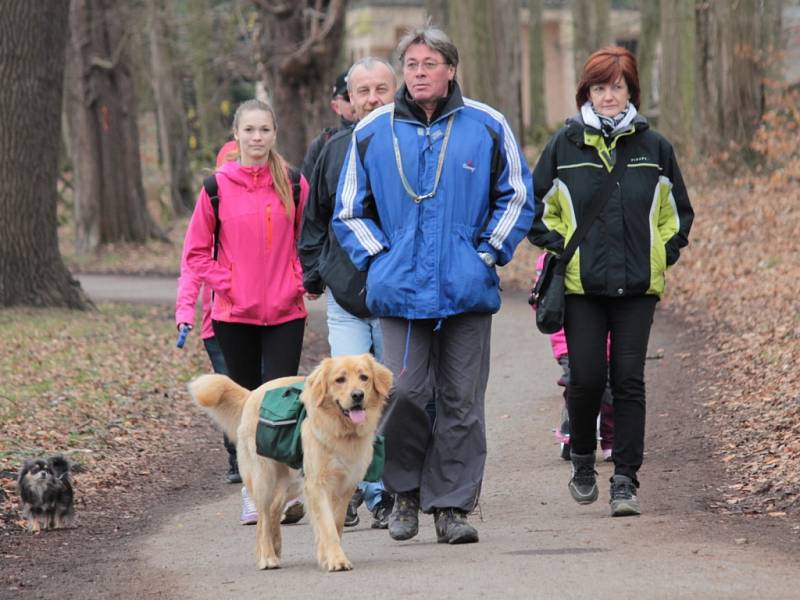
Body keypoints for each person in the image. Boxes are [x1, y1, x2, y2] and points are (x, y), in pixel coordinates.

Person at [332, 26, 534, 545]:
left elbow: (515, 196)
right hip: (399, 292)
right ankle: (404, 495)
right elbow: (350, 209)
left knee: (462, 400)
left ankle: (452, 506)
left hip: (466, 291)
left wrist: (485, 253)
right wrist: (383, 258)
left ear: (450, 70)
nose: (419, 73)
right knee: (404, 392)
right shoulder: (374, 130)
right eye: (412, 65)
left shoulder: (486, 125)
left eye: (429, 64)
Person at [528, 47, 693, 517]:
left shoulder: (654, 148)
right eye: (599, 88)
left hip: (638, 287)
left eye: (616, 87)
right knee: (585, 380)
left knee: (628, 380)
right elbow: (535, 208)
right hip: (581, 287)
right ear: (587, 92)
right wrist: (560, 246)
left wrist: (661, 252)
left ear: (630, 91)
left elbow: (678, 213)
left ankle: (625, 479)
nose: (608, 96)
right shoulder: (564, 145)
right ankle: (582, 457)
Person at [182, 98, 311, 519]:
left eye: (265, 130)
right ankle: (253, 492)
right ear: (236, 135)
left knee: (281, 406)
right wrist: (228, 284)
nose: (257, 138)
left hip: (285, 313)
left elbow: (308, 241)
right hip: (233, 316)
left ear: (275, 134)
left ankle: (287, 489)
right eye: (249, 130)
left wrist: (299, 279)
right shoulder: (215, 188)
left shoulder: (293, 183)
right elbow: (196, 253)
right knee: (246, 407)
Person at [298, 57, 398, 530]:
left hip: (397, 294)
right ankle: (369, 491)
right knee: (349, 394)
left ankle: (395, 484)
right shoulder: (332, 150)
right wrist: (315, 273)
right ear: (349, 100)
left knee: (393, 392)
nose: (373, 98)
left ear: (394, 92)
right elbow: (314, 218)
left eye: (381, 89)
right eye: (364, 91)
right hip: (345, 296)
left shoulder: (411, 144)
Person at [535, 254, 614, 462]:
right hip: (567, 339)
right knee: (578, 380)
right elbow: (540, 298)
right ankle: (572, 428)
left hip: (609, 339)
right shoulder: (550, 258)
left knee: (610, 389)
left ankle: (611, 438)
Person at [301, 71, 356, 180]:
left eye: (361, 93)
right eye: (348, 98)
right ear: (336, 107)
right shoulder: (323, 144)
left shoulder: (391, 135)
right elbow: (308, 192)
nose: (355, 102)